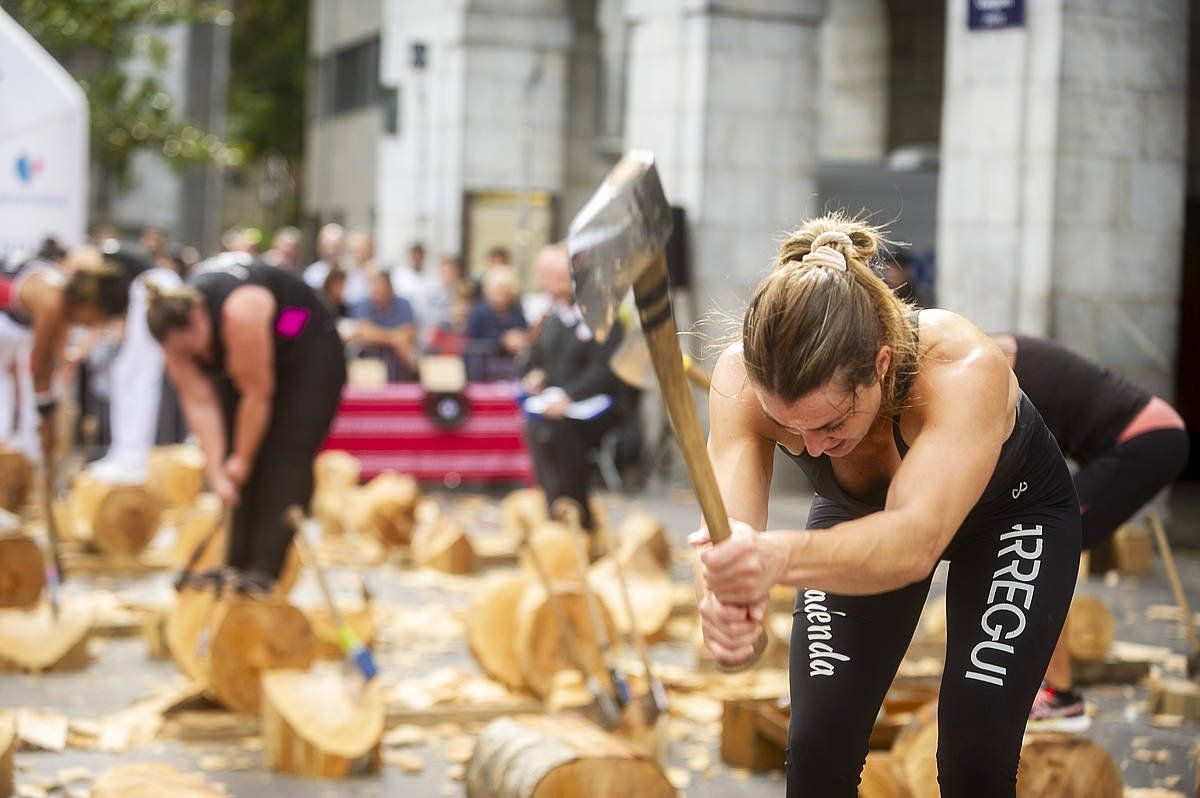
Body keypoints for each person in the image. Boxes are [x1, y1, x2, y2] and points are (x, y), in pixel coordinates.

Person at [692, 214, 1080, 796]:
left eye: (830, 422)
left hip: (1011, 517)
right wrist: (720, 597)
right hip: (864, 518)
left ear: (878, 365)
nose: (812, 446)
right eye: (785, 425)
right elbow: (730, 530)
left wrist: (770, 560)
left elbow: (913, 543)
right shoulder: (738, 379)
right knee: (816, 745)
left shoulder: (960, 367)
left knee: (975, 751)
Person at [990, 333, 1189, 729]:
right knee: (1041, 541)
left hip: (1146, 441)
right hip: (1146, 439)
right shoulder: (992, 353)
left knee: (1042, 546)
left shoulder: (988, 358)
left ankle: (1060, 695)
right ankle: (1048, 685)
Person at [146, 252, 346, 594]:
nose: (196, 357)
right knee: (234, 468)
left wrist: (241, 459)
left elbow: (257, 395)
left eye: (195, 347)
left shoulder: (240, 312)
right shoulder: (174, 336)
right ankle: (232, 562)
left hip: (307, 353)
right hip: (255, 361)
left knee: (282, 457)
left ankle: (264, 568)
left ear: (198, 316)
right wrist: (219, 469)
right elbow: (199, 402)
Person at [521, 244, 623, 533]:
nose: (545, 285)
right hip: (554, 407)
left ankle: (579, 514)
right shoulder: (551, 319)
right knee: (538, 429)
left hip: (594, 408)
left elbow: (606, 370)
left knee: (562, 433)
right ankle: (555, 509)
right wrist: (534, 375)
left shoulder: (602, 314)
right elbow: (535, 359)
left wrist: (569, 396)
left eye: (553, 278)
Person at [0, 250, 133, 463]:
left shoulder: (62, 301)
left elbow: (53, 362)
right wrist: (46, 421)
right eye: (101, 319)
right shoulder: (52, 304)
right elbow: (40, 367)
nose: (96, 326)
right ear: (92, 304)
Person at [84, 242, 183, 482]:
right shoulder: (120, 265)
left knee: (137, 377)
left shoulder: (102, 261)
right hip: (150, 289)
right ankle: (126, 452)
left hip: (152, 288)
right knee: (128, 374)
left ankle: (133, 456)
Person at [347, 271, 417, 381]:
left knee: (409, 354)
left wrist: (378, 336)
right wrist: (394, 340)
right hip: (370, 358)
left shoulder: (403, 304)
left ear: (390, 289)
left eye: (380, 289)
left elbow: (408, 334)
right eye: (374, 288)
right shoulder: (363, 304)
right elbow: (364, 332)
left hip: (398, 360)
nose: (376, 292)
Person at [466, 265, 527, 380]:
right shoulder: (478, 311)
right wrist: (503, 340)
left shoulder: (516, 311)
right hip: (483, 366)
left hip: (512, 365)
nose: (500, 293)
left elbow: (523, 331)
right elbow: (472, 340)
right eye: (497, 288)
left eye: (504, 288)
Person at [302, 223, 345, 290]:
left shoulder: (350, 273)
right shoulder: (312, 273)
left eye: (335, 246)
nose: (332, 251)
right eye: (328, 246)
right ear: (321, 246)